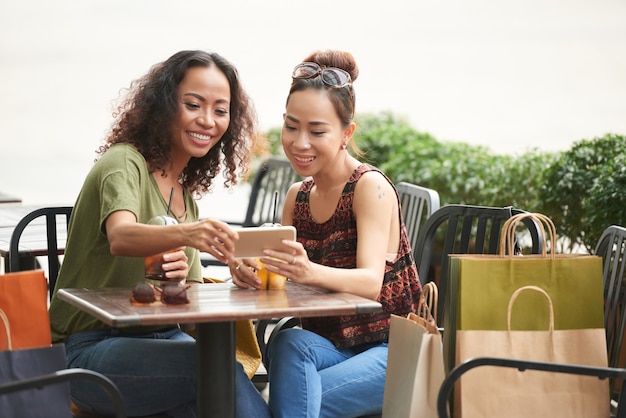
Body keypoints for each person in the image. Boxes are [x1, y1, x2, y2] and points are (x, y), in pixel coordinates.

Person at [48, 50, 271, 418]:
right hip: (92, 350)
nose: (208, 120)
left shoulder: (185, 198)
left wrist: (236, 277)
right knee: (217, 371)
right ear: (165, 106)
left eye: (220, 109)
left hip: (165, 341)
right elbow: (121, 237)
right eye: (193, 104)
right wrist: (191, 233)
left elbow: (192, 305)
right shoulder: (123, 162)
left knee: (203, 394)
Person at [230, 50, 423, 417]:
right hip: (327, 349)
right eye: (291, 126)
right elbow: (285, 285)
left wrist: (306, 271)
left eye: (317, 130)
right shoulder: (297, 197)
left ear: (345, 134)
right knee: (288, 341)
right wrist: (251, 275)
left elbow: (370, 283)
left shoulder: (370, 188)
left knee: (290, 405)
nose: (300, 142)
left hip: (389, 351)